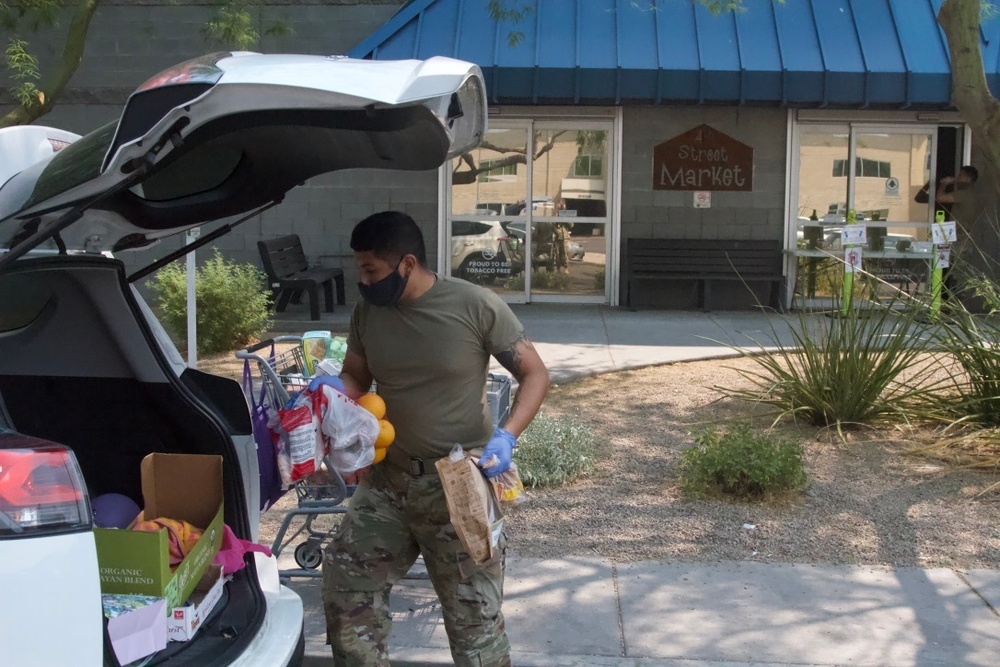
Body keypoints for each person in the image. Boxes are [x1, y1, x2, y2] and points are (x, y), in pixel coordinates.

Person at [320, 210, 550, 667]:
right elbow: (355, 377)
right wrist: (324, 399)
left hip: (458, 484)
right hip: (389, 481)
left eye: (372, 270)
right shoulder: (369, 311)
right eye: (360, 270)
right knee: (347, 587)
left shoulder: (475, 305)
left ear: (407, 263)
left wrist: (507, 436)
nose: (363, 281)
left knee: (474, 624)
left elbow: (534, 373)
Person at [914, 165, 979, 221]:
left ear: (968, 179)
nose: (957, 178)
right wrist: (931, 183)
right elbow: (919, 198)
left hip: (957, 231)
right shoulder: (965, 192)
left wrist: (944, 184)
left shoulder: (964, 193)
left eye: (960, 175)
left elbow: (940, 198)